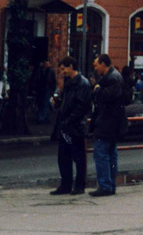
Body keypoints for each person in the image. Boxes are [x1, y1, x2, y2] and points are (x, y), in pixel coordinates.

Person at [50, 56, 92, 196]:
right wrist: (57, 103)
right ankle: (66, 185)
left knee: (78, 157)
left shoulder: (82, 83)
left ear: (71, 67)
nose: (62, 72)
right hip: (67, 124)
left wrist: (68, 120)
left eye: (63, 69)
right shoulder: (69, 82)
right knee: (64, 156)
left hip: (75, 125)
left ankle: (79, 185)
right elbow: (66, 102)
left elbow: (81, 106)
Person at [89, 53, 127, 197]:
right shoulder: (114, 76)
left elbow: (108, 97)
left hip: (108, 121)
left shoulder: (111, 78)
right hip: (112, 121)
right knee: (110, 153)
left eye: (96, 65)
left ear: (103, 64)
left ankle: (105, 185)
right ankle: (110, 185)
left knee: (101, 152)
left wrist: (97, 89)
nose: (95, 68)